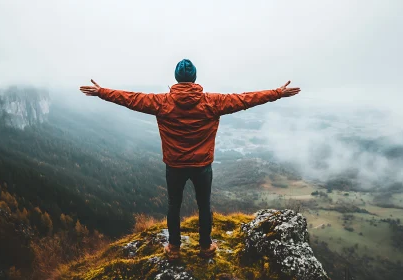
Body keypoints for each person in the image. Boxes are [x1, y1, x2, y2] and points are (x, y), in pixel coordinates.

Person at [79, 59, 301, 260]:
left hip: (174, 165)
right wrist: (277, 93)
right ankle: (205, 246)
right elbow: (245, 99)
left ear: (177, 79)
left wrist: (102, 92)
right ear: (194, 79)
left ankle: (174, 248)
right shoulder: (212, 102)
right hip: (202, 166)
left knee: (173, 205)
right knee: (204, 205)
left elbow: (131, 99)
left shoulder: (161, 102)